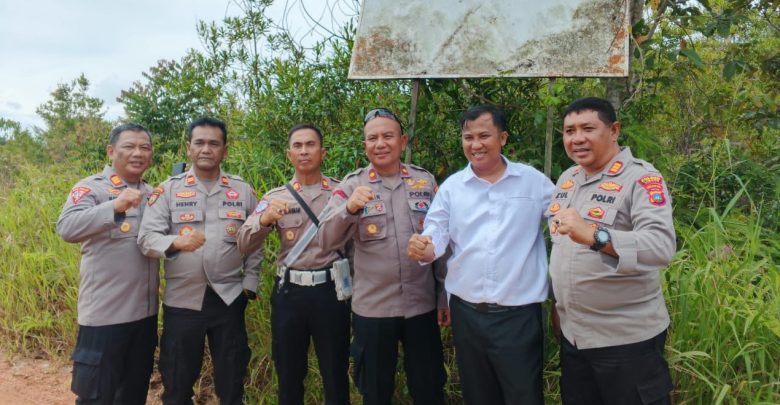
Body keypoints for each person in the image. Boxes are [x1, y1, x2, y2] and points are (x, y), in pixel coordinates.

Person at [407, 104, 553, 405]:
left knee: (524, 396)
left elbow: (563, 222)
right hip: (468, 316)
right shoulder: (452, 188)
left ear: (503, 138)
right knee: (478, 396)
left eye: (484, 136)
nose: (475, 145)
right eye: (468, 137)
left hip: (519, 317)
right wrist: (424, 247)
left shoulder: (533, 182)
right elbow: (435, 233)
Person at [549, 97, 675, 404]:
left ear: (614, 130)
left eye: (588, 128)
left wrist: (595, 235)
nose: (577, 138)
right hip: (575, 338)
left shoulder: (641, 178)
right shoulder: (568, 179)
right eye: (569, 131)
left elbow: (660, 246)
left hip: (626, 342)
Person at [318, 108, 447, 405]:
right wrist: (349, 209)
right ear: (365, 145)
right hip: (373, 310)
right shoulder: (351, 185)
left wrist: (443, 296)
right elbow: (325, 240)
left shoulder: (425, 182)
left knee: (429, 389)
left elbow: (443, 243)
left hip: (421, 307)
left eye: (388, 136)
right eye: (372, 138)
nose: (380, 144)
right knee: (375, 392)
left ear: (403, 141)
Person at [137, 117, 261, 405]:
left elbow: (256, 240)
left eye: (214, 143)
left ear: (225, 150)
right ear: (188, 148)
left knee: (232, 381)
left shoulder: (242, 190)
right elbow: (146, 239)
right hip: (183, 300)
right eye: (200, 142)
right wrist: (175, 242)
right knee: (177, 382)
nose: (206, 149)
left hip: (229, 297)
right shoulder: (168, 190)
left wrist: (250, 283)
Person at [236, 124, 350, 405]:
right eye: (297, 146)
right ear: (289, 155)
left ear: (322, 152)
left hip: (331, 292)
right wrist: (264, 220)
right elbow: (243, 242)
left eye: (310, 145)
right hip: (290, 294)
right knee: (288, 373)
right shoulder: (275, 197)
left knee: (335, 372)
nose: (304, 151)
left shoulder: (341, 192)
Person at [56, 123, 159, 404]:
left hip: (145, 318)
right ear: (111, 151)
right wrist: (114, 206)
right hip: (104, 318)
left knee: (133, 395)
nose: (138, 153)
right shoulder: (92, 188)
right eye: (129, 146)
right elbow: (67, 228)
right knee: (97, 397)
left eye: (145, 147)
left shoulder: (153, 194)